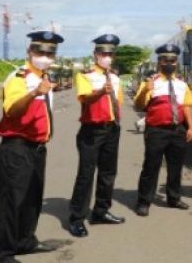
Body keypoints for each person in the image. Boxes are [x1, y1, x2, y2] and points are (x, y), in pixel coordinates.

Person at [0, 31, 64, 263]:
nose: (45, 56)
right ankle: (2, 253)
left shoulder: (44, 77)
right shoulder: (19, 78)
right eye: (39, 51)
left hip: (37, 148)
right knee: (12, 201)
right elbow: (12, 110)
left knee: (32, 197)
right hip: (17, 147)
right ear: (29, 52)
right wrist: (34, 93)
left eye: (50, 52)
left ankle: (24, 241)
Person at [68, 34, 125, 238]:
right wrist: (101, 92)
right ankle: (76, 218)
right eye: (103, 53)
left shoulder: (116, 78)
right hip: (92, 130)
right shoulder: (85, 75)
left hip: (112, 128)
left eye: (110, 53)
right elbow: (85, 98)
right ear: (95, 54)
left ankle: (101, 211)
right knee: (86, 174)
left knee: (108, 173)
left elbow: (118, 103)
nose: (107, 56)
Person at [133, 44, 192, 217]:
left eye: (173, 60)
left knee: (176, 167)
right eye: (165, 60)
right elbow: (138, 105)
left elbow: (187, 107)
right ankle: (144, 201)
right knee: (151, 167)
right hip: (156, 132)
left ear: (177, 62)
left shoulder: (182, 85)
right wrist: (146, 90)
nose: (169, 63)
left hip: (177, 131)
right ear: (159, 61)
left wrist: (190, 127)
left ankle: (174, 198)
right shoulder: (150, 83)